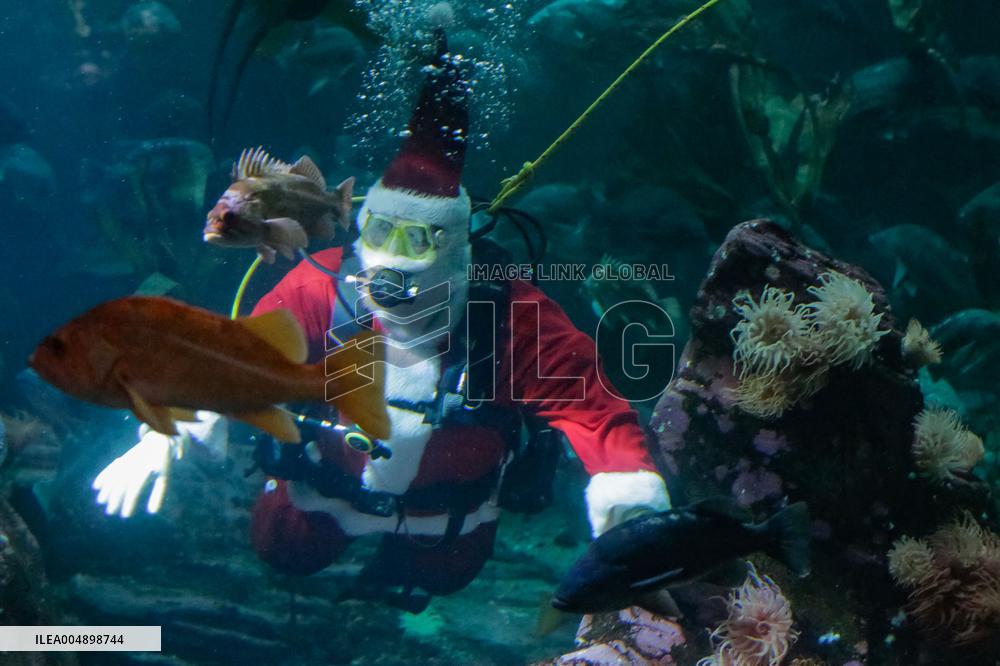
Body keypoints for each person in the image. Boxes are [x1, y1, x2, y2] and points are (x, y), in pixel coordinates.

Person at [93, 32, 671, 610]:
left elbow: (593, 407)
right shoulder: (323, 285)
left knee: (446, 576)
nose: (391, 259)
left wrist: (630, 505)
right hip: (324, 494)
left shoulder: (511, 314)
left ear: (452, 248)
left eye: (416, 239)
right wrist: (167, 428)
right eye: (379, 232)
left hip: (451, 516)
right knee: (281, 550)